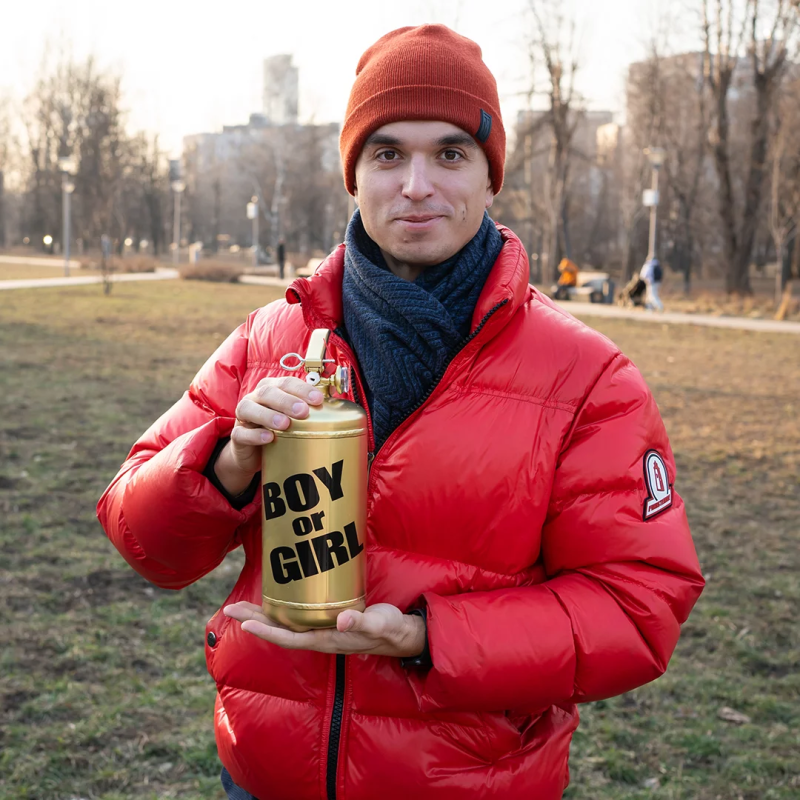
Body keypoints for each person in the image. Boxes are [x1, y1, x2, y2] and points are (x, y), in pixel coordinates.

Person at [97, 25, 703, 800]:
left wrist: (428, 638)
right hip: (263, 773)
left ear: (491, 179)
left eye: (450, 154)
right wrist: (228, 463)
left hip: (470, 782)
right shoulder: (271, 339)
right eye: (387, 154)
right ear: (353, 177)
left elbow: (639, 607)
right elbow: (143, 540)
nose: (417, 184)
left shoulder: (586, 378)